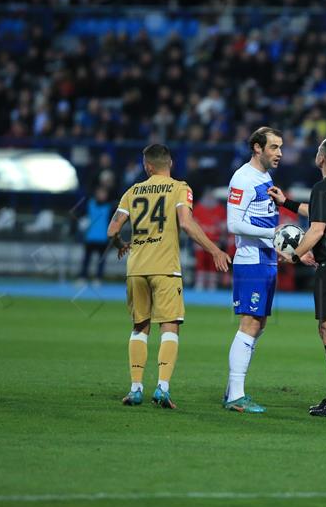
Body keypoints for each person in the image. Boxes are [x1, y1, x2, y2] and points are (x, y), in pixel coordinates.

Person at [108, 144, 230, 409]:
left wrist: (121, 245)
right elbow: (186, 223)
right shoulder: (179, 188)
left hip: (136, 268)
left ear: (147, 166)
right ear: (170, 163)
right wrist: (214, 250)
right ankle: (162, 388)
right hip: (166, 268)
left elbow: (112, 229)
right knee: (170, 327)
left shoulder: (132, 191)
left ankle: (136, 388)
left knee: (140, 327)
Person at [271, 135, 326, 418]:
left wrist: (293, 256)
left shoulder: (323, 187)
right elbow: (320, 214)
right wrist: (286, 202)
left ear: (321, 157)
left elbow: (316, 230)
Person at [223, 127, 284, 413]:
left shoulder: (264, 177)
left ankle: (233, 388)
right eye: (274, 147)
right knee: (249, 323)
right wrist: (274, 234)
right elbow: (233, 224)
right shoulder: (243, 178)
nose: (279, 153)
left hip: (267, 257)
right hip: (250, 260)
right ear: (257, 148)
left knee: (259, 324)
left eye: (280, 147)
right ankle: (236, 394)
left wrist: (278, 244)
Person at [78, 186, 113, 285]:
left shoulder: (110, 207)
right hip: (90, 237)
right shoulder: (89, 204)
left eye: (103, 193)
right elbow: (82, 216)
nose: (101, 195)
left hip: (103, 238)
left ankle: (98, 278)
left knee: (101, 261)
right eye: (100, 193)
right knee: (86, 259)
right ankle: (82, 277)